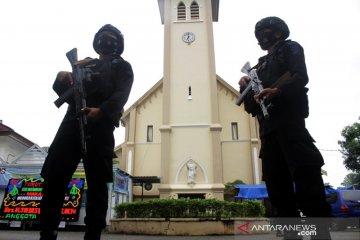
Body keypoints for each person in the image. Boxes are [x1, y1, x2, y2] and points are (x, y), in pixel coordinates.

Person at [239, 17, 332, 239]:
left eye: (267, 31)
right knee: (277, 189)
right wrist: (245, 86)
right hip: (268, 134)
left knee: (307, 182)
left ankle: (320, 234)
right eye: (258, 33)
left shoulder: (290, 48)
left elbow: (300, 77)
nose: (262, 36)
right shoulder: (257, 68)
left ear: (279, 32)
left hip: (291, 126)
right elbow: (251, 106)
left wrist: (277, 91)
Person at [39, 24, 134, 240]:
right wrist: (61, 78)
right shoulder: (83, 64)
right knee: (54, 176)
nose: (106, 40)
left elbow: (121, 94)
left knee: (98, 182)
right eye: (102, 37)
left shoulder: (123, 66)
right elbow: (66, 93)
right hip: (72, 123)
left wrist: (101, 112)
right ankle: (47, 230)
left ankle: (93, 233)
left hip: (100, 128)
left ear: (118, 45)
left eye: (111, 38)